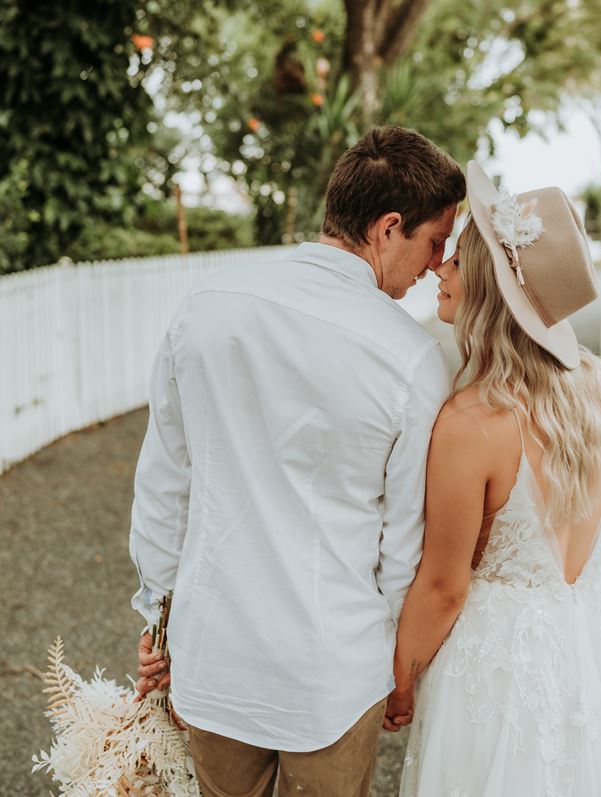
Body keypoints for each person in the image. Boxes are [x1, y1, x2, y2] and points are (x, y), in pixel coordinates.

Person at [128, 126, 464, 797]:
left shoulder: (205, 307)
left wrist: (158, 619)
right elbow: (402, 545)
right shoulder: (410, 358)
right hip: (331, 671)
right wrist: (398, 670)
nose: (436, 264)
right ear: (388, 228)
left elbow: (165, 483)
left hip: (214, 651)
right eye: (435, 241)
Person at [389, 163, 601, 796]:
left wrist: (398, 682)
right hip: (587, 641)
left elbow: (445, 586)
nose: (440, 269)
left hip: (496, 667)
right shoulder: (596, 389)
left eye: (458, 260)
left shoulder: (471, 421)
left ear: (488, 288)